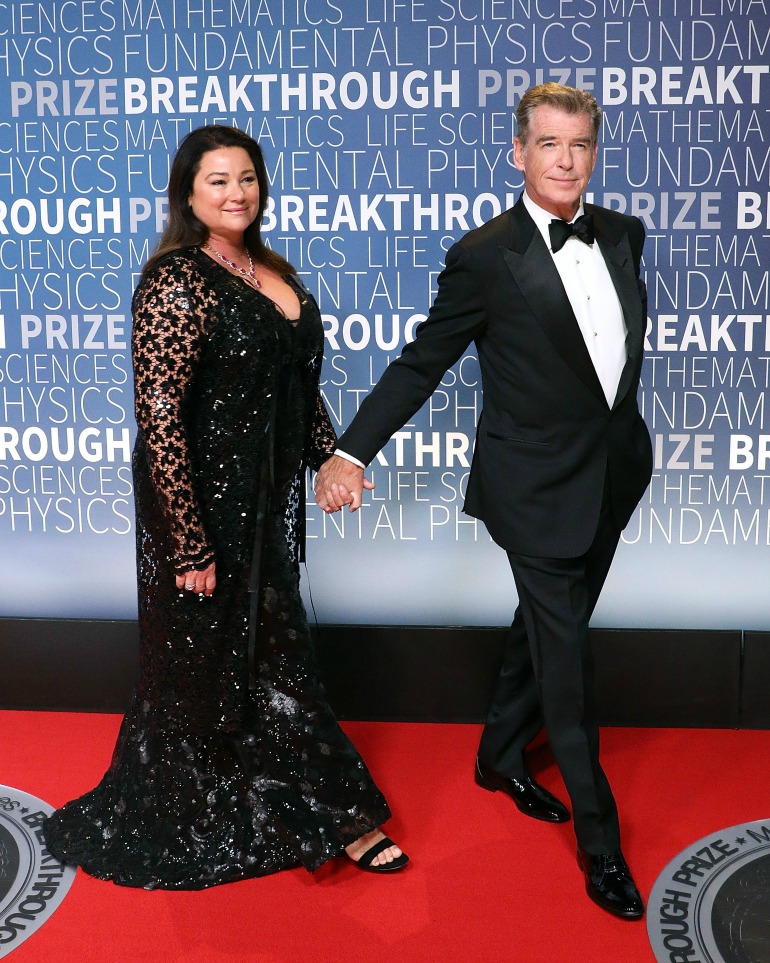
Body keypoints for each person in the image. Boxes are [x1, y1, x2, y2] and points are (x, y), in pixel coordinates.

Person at [314, 83, 652, 919]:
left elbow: (601, 366)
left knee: (543, 625)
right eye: (548, 144)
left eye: (579, 145)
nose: (566, 160)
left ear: (594, 152)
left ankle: (500, 753)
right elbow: (421, 363)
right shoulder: (484, 255)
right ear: (518, 153)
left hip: (612, 471)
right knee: (568, 661)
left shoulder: (625, 235)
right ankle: (601, 845)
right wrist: (351, 450)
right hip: (533, 487)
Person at [44, 125, 407, 888]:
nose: (236, 192)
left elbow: (294, 387)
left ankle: (261, 794)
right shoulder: (174, 280)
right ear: (187, 193)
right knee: (238, 660)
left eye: (247, 178)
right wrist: (189, 543)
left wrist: (332, 459)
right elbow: (161, 416)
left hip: (263, 502)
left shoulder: (269, 268)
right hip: (199, 506)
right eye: (218, 181)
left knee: (254, 655)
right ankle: (345, 816)